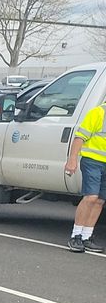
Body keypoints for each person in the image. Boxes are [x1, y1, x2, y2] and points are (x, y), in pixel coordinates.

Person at [65, 98, 106, 252]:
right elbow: (79, 137)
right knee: (91, 197)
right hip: (93, 161)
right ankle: (75, 236)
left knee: (100, 201)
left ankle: (86, 237)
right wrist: (72, 160)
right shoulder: (98, 112)